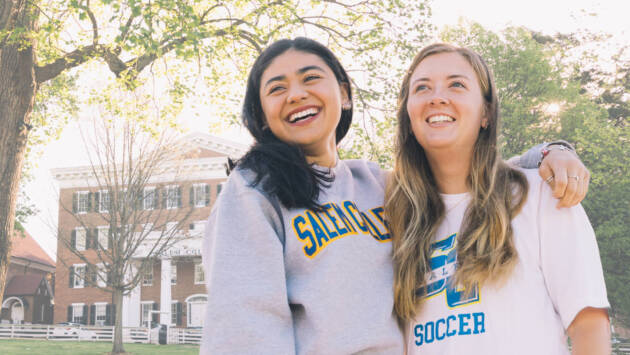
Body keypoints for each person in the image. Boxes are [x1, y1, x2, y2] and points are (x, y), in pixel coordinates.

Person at [201, 37, 589, 355]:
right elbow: (246, 327)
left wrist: (550, 153)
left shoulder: (373, 183)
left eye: (310, 78)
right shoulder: (253, 192)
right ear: (261, 113)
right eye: (277, 89)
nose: (296, 95)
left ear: (344, 94)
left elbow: (467, 178)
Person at [385, 43, 610, 354]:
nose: (437, 97)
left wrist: (555, 149)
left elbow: (589, 325)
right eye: (422, 87)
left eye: (457, 85)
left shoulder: (542, 195)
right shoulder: (394, 217)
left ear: (486, 113)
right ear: (408, 117)